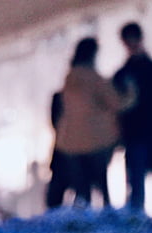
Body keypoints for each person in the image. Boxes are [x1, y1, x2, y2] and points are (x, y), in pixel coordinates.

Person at [54, 38, 134, 209]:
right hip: (96, 140)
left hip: (70, 143)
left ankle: (85, 223)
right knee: (102, 186)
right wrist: (131, 93)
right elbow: (116, 103)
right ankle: (106, 221)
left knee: (82, 189)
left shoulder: (70, 79)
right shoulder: (94, 79)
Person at [112, 22, 152, 212]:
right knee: (151, 183)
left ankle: (149, 220)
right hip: (144, 135)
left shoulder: (125, 74)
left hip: (148, 134)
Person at [45, 91, 70, 210]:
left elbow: (54, 121)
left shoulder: (60, 96)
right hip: (86, 149)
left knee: (58, 184)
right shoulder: (93, 92)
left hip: (62, 147)